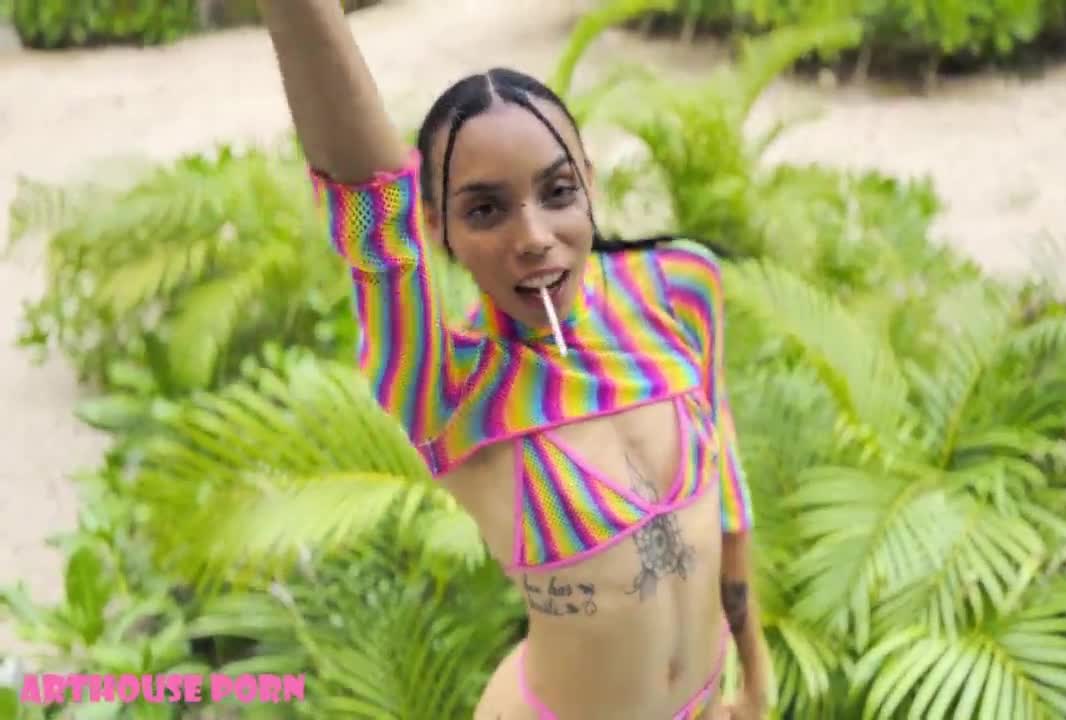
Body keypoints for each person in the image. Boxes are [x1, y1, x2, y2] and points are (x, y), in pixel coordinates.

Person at [256, 2, 771, 718]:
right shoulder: (448, 389)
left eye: (557, 192)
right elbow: (371, 212)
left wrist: (755, 674)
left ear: (589, 182)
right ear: (437, 227)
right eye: (485, 210)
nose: (532, 236)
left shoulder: (678, 287)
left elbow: (727, 489)